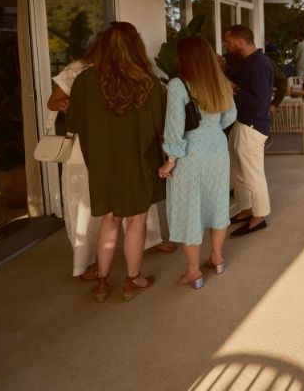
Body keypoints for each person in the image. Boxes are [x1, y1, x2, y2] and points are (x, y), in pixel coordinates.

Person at [47, 34, 171, 281]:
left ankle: (102, 281)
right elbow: (161, 126)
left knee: (109, 218)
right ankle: (133, 280)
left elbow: (75, 123)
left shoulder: (84, 81)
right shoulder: (148, 82)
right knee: (137, 219)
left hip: (101, 163)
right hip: (139, 161)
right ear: (136, 48)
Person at [158, 36, 237, 289]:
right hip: (217, 148)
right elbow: (230, 116)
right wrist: (212, 129)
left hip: (190, 152)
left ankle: (193, 271)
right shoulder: (221, 83)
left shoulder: (178, 85)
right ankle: (217, 257)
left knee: (191, 208)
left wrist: (170, 161)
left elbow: (174, 128)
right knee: (217, 203)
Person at [223, 25, 274, 236]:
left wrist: (234, 89)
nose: (226, 45)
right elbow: (242, 80)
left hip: (252, 126)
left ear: (240, 42)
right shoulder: (250, 63)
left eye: (228, 41)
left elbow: (258, 103)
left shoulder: (260, 65)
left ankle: (259, 215)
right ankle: (246, 209)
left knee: (253, 174)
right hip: (242, 123)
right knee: (237, 171)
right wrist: (224, 69)